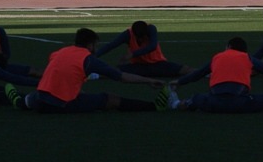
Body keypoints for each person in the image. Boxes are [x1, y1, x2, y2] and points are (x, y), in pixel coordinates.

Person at [20, 28, 162, 113]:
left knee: (29, 99)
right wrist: (148, 80)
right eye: (95, 45)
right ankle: (153, 106)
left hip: (40, 99)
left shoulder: (60, 52)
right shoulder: (88, 59)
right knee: (110, 99)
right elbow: (122, 77)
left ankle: (17, 99)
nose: (96, 49)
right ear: (90, 45)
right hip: (61, 104)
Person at [165, 36, 263, 113]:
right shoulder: (248, 58)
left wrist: (178, 82)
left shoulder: (217, 57)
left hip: (214, 103)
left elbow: (197, 74)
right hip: (240, 103)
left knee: (195, 99)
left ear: (228, 47)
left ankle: (175, 104)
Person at [94, 20, 193, 78]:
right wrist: (92, 57)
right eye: (139, 38)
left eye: (143, 37)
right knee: (116, 71)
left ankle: (199, 73)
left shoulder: (151, 29)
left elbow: (153, 46)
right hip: (138, 66)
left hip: (158, 63)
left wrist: (132, 54)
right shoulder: (128, 34)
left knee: (182, 69)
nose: (141, 40)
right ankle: (94, 75)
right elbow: (110, 46)